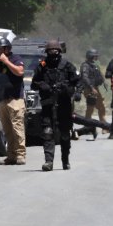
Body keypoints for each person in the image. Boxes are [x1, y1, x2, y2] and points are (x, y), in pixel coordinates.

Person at [31, 39, 82, 171]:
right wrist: (43, 85)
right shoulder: (42, 65)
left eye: (55, 50)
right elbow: (34, 83)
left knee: (65, 134)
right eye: (50, 51)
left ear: (59, 51)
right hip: (48, 105)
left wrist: (77, 93)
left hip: (64, 105)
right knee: (47, 132)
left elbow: (78, 80)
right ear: (47, 52)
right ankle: (49, 162)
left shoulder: (67, 65)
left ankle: (65, 160)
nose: (53, 53)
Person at [0, 37, 26, 165]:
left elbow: (20, 72)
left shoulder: (15, 58)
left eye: (2, 48)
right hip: (2, 99)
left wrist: (6, 62)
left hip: (15, 99)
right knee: (7, 130)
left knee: (17, 128)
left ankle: (20, 155)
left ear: (7, 49)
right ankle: (11, 155)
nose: (0, 51)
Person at [80, 48, 108, 137]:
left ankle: (91, 127)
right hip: (90, 89)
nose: (96, 57)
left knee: (95, 108)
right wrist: (92, 88)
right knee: (96, 108)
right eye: (95, 56)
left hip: (94, 88)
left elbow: (99, 75)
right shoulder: (85, 66)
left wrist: (104, 82)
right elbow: (85, 77)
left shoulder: (93, 65)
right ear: (91, 56)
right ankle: (102, 127)